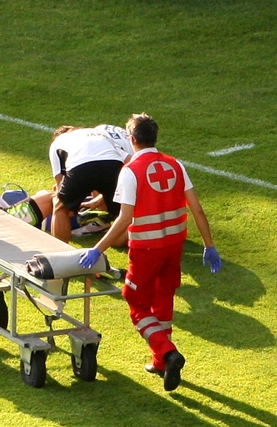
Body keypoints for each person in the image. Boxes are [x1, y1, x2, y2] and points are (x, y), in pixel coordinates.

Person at [79, 113, 222, 391]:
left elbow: (123, 219)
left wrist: (97, 249)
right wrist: (209, 245)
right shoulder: (175, 165)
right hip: (174, 246)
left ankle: (168, 353)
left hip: (146, 249)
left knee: (137, 304)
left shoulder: (131, 171)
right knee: (164, 298)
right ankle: (159, 362)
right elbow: (197, 209)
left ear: (132, 140)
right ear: (155, 137)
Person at [48, 124, 133, 244]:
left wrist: (71, 205)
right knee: (123, 216)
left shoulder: (57, 143)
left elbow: (59, 181)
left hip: (82, 167)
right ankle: (139, 235)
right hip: (113, 166)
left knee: (60, 204)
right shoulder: (99, 133)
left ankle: (60, 251)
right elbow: (129, 159)